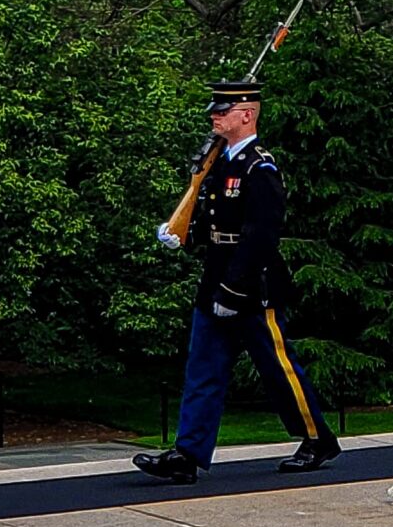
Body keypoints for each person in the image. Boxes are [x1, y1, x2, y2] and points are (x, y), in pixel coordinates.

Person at [134, 77, 341, 482]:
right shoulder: (220, 162)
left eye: (223, 110)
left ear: (246, 115)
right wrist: (182, 234)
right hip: (215, 280)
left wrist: (233, 288)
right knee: (202, 369)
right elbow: (213, 221)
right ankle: (187, 453)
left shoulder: (259, 167)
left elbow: (261, 235)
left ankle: (318, 439)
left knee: (278, 368)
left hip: (250, 287)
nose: (214, 115)